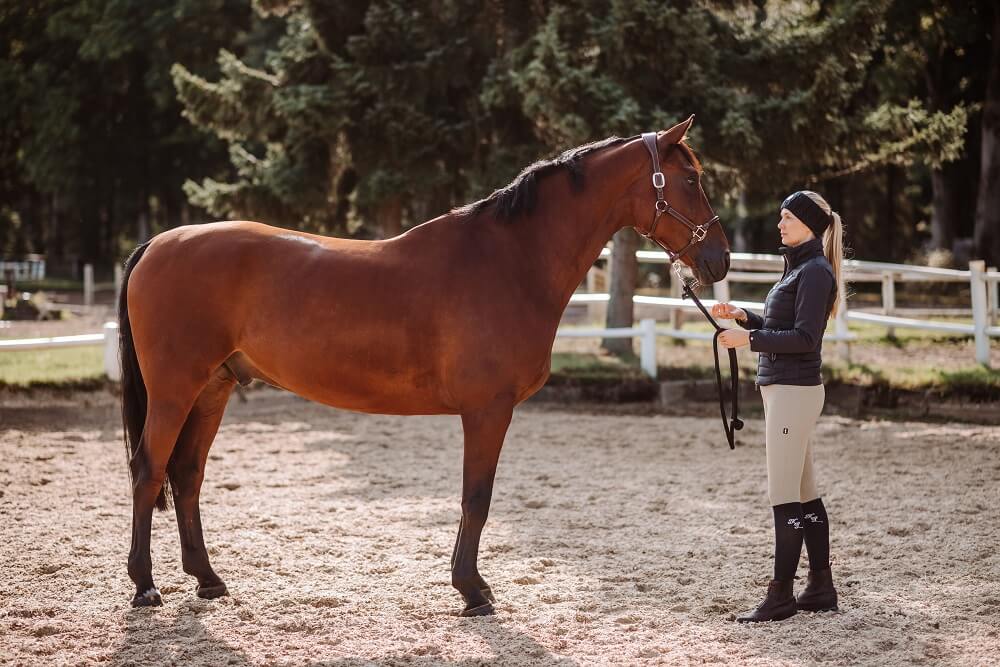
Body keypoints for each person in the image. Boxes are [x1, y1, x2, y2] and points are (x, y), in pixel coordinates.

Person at [711, 190, 845, 623]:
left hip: (792, 392)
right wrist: (748, 319)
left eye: (786, 217)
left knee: (783, 496)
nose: (780, 225)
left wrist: (747, 341)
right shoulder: (801, 269)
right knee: (805, 493)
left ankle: (781, 596)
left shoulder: (814, 272)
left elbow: (805, 339)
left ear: (807, 224)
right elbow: (784, 328)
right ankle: (820, 587)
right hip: (788, 391)